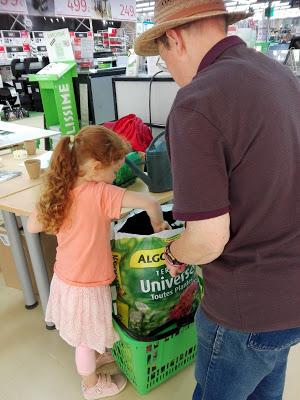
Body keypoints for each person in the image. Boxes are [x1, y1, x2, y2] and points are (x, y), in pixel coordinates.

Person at [134, 1, 300, 399]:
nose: (172, 75)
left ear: (173, 37)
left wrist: (175, 250)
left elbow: (207, 242)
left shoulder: (198, 102)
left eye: (163, 60)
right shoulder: (280, 74)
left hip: (244, 308)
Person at [28, 126, 169, 400]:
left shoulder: (62, 189)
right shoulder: (101, 193)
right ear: (95, 167)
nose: (116, 176)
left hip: (67, 277)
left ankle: (95, 353)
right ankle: (91, 385)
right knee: (83, 339)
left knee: (86, 328)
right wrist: (159, 226)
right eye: (114, 170)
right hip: (87, 282)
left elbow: (33, 225)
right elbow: (151, 204)